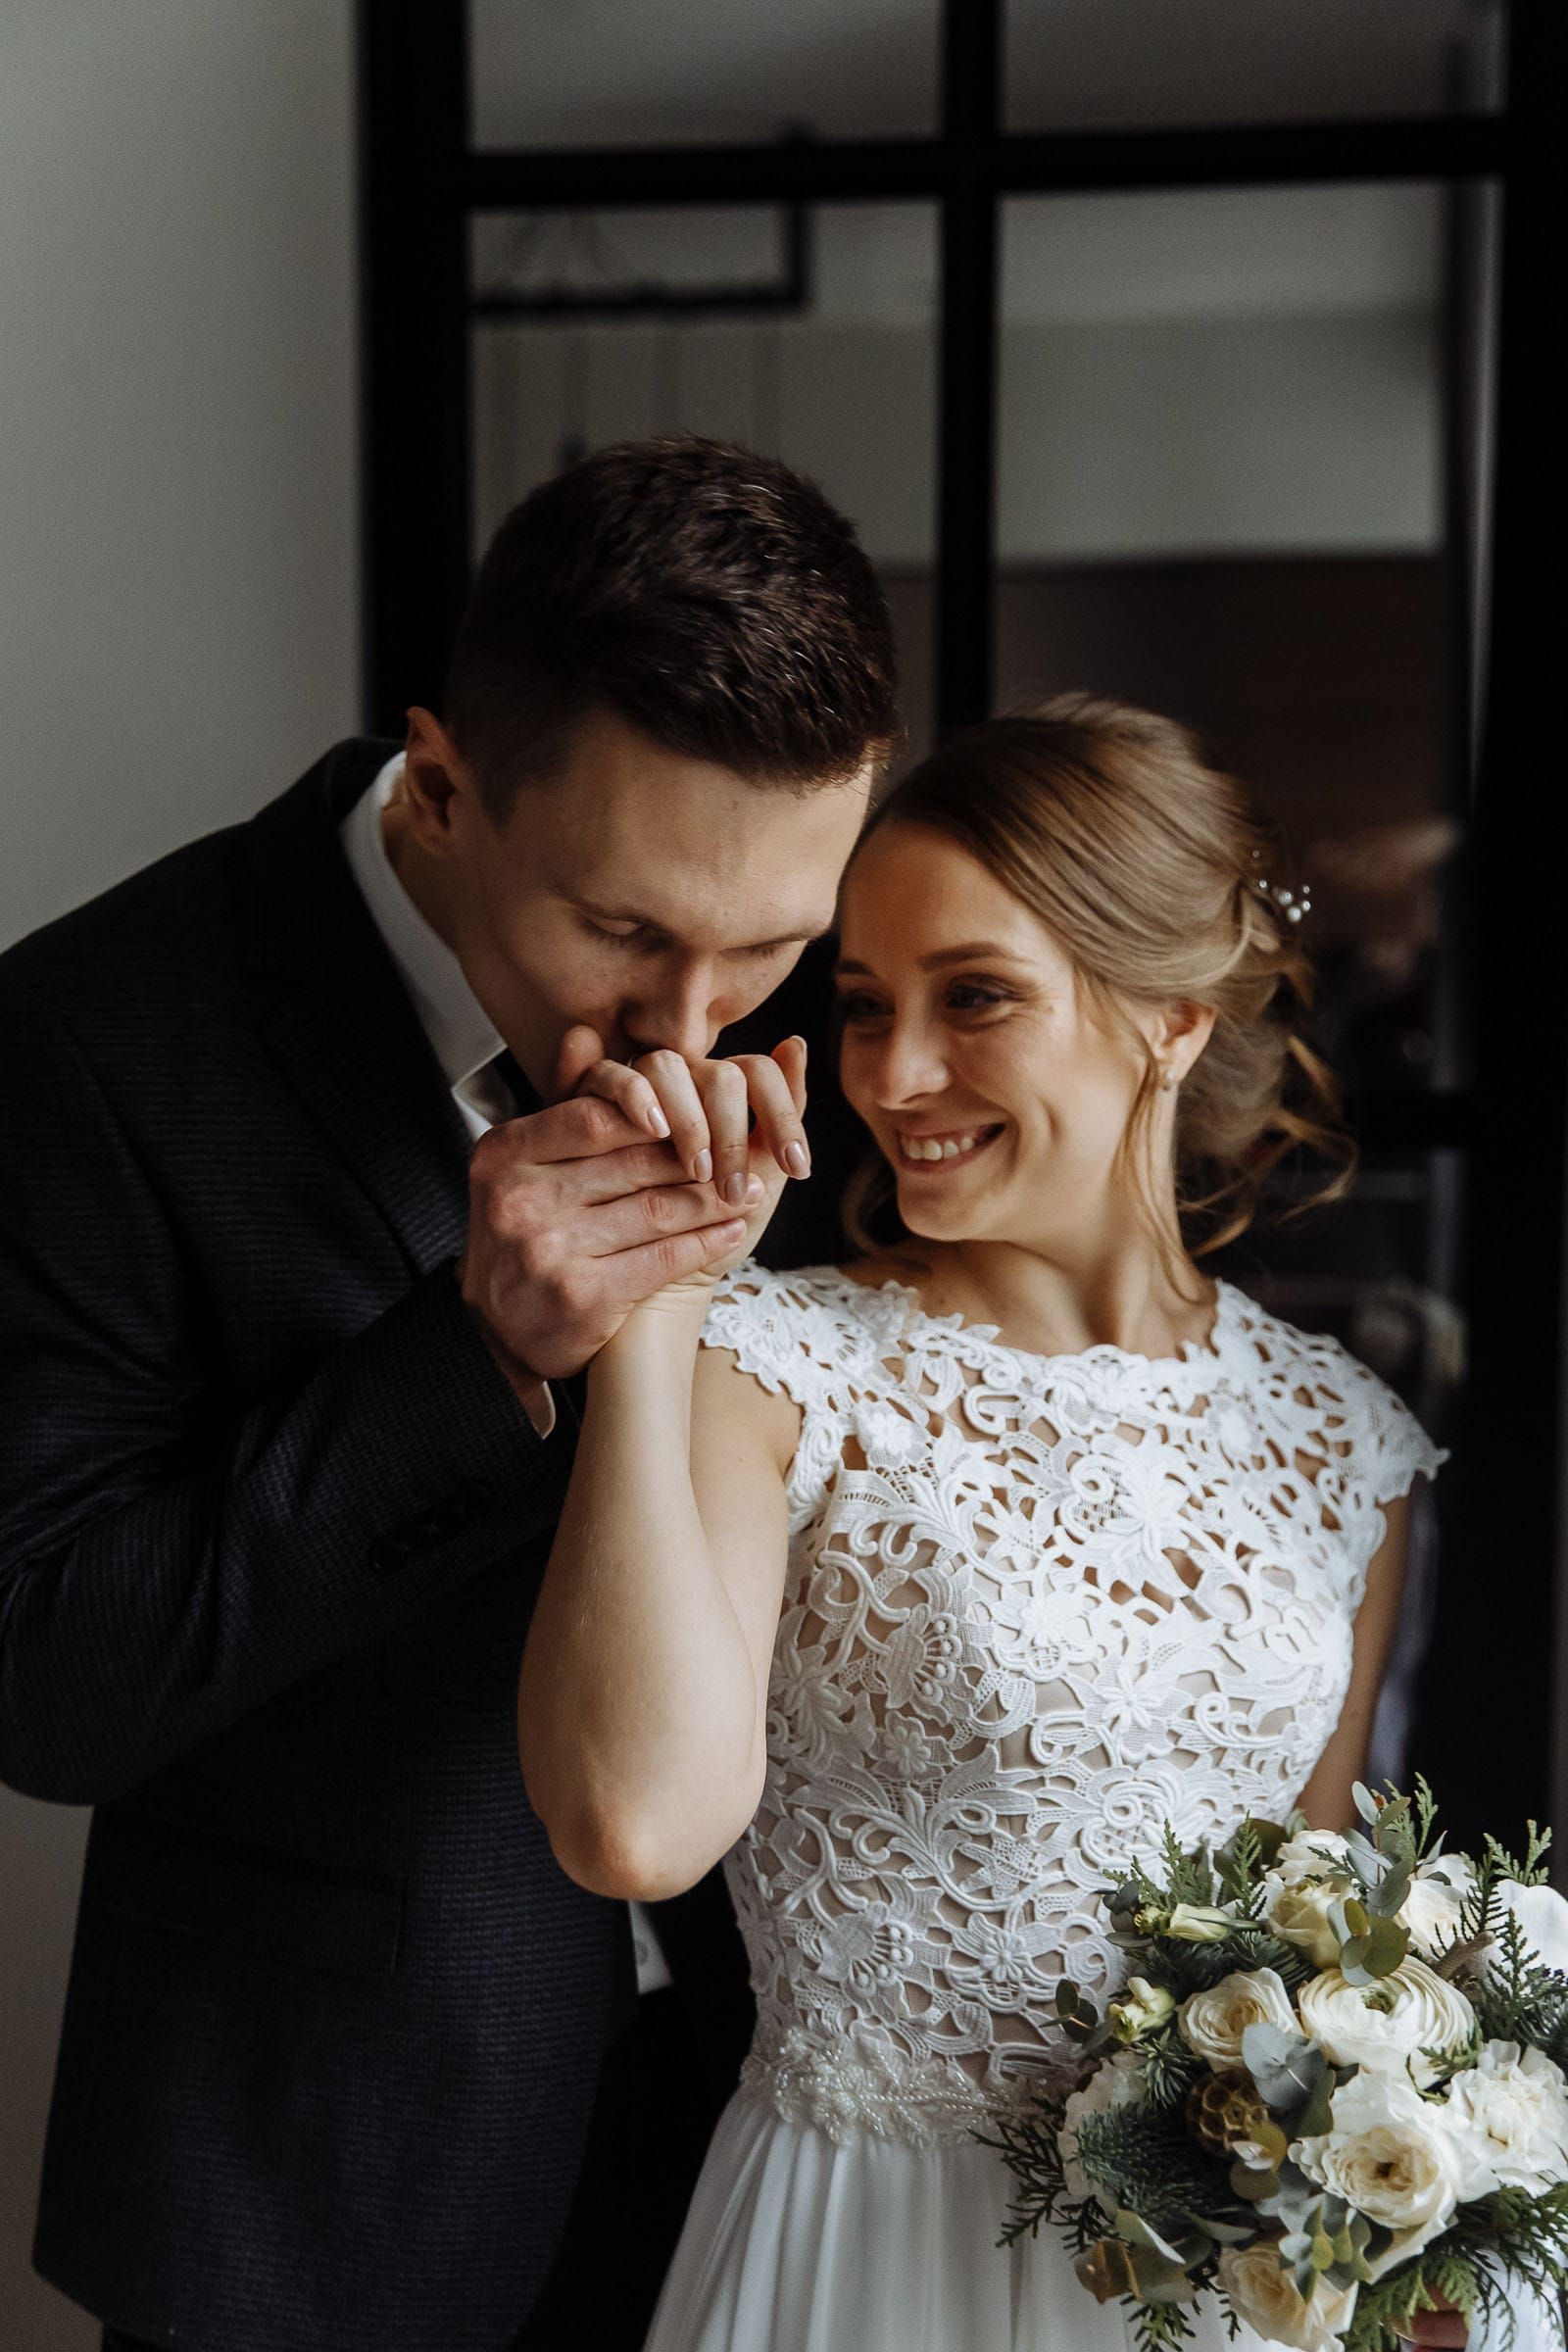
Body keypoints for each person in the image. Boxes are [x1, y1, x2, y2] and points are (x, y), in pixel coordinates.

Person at [0, 438, 898, 2350]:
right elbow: (47, 1680)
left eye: (764, 949)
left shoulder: (858, 1026)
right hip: (319, 2177)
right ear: (442, 781)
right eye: (624, 932)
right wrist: (466, 1354)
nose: (689, 1029)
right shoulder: (83, 1043)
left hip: (788, 2158)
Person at [516, 697, 1509, 2351]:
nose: (894, 1079)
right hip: (862, 2251)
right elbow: (636, 1830)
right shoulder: (769, 1366)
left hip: (1212, 2287)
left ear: (1171, 1019)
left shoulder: (1347, 1442)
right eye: (860, 1007)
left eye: (973, 999)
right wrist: (658, 1319)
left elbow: (1317, 1933)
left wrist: (1413, 2202)